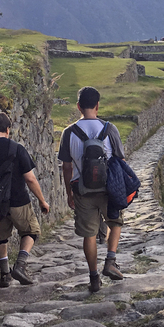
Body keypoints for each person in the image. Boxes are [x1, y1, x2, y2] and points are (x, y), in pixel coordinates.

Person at [0, 112, 50, 288]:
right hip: (18, 200)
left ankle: (5, 274)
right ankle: (20, 264)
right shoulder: (16, 148)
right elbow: (30, 179)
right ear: (7, 129)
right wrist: (42, 200)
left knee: (0, 238)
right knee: (31, 231)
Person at [58, 86, 126, 292]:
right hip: (108, 189)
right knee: (115, 222)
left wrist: (69, 192)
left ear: (78, 106)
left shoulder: (69, 132)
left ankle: (94, 277)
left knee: (89, 235)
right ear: (97, 105)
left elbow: (67, 166)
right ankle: (111, 260)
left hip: (82, 190)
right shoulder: (109, 129)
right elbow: (120, 158)